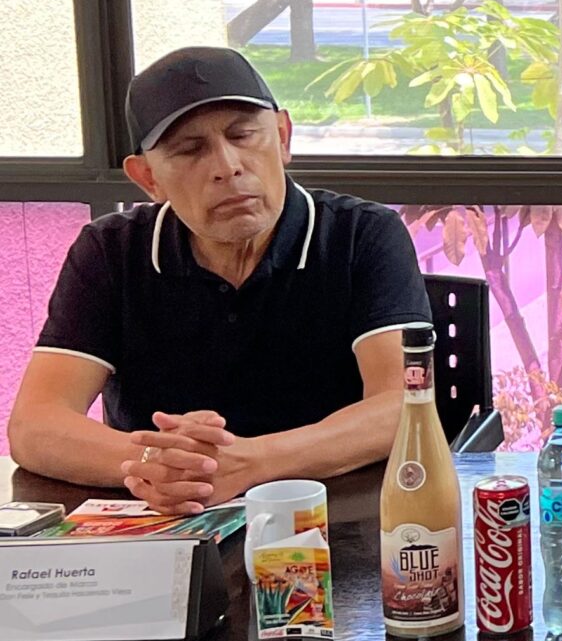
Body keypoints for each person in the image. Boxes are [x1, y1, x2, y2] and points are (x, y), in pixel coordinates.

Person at [6, 47, 431, 512]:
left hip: (334, 519)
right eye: (190, 150)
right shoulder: (110, 251)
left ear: (283, 137)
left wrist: (251, 462)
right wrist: (157, 463)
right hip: (165, 518)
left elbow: (401, 405)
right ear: (147, 177)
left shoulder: (362, 235)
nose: (227, 166)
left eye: (243, 135)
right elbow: (35, 425)